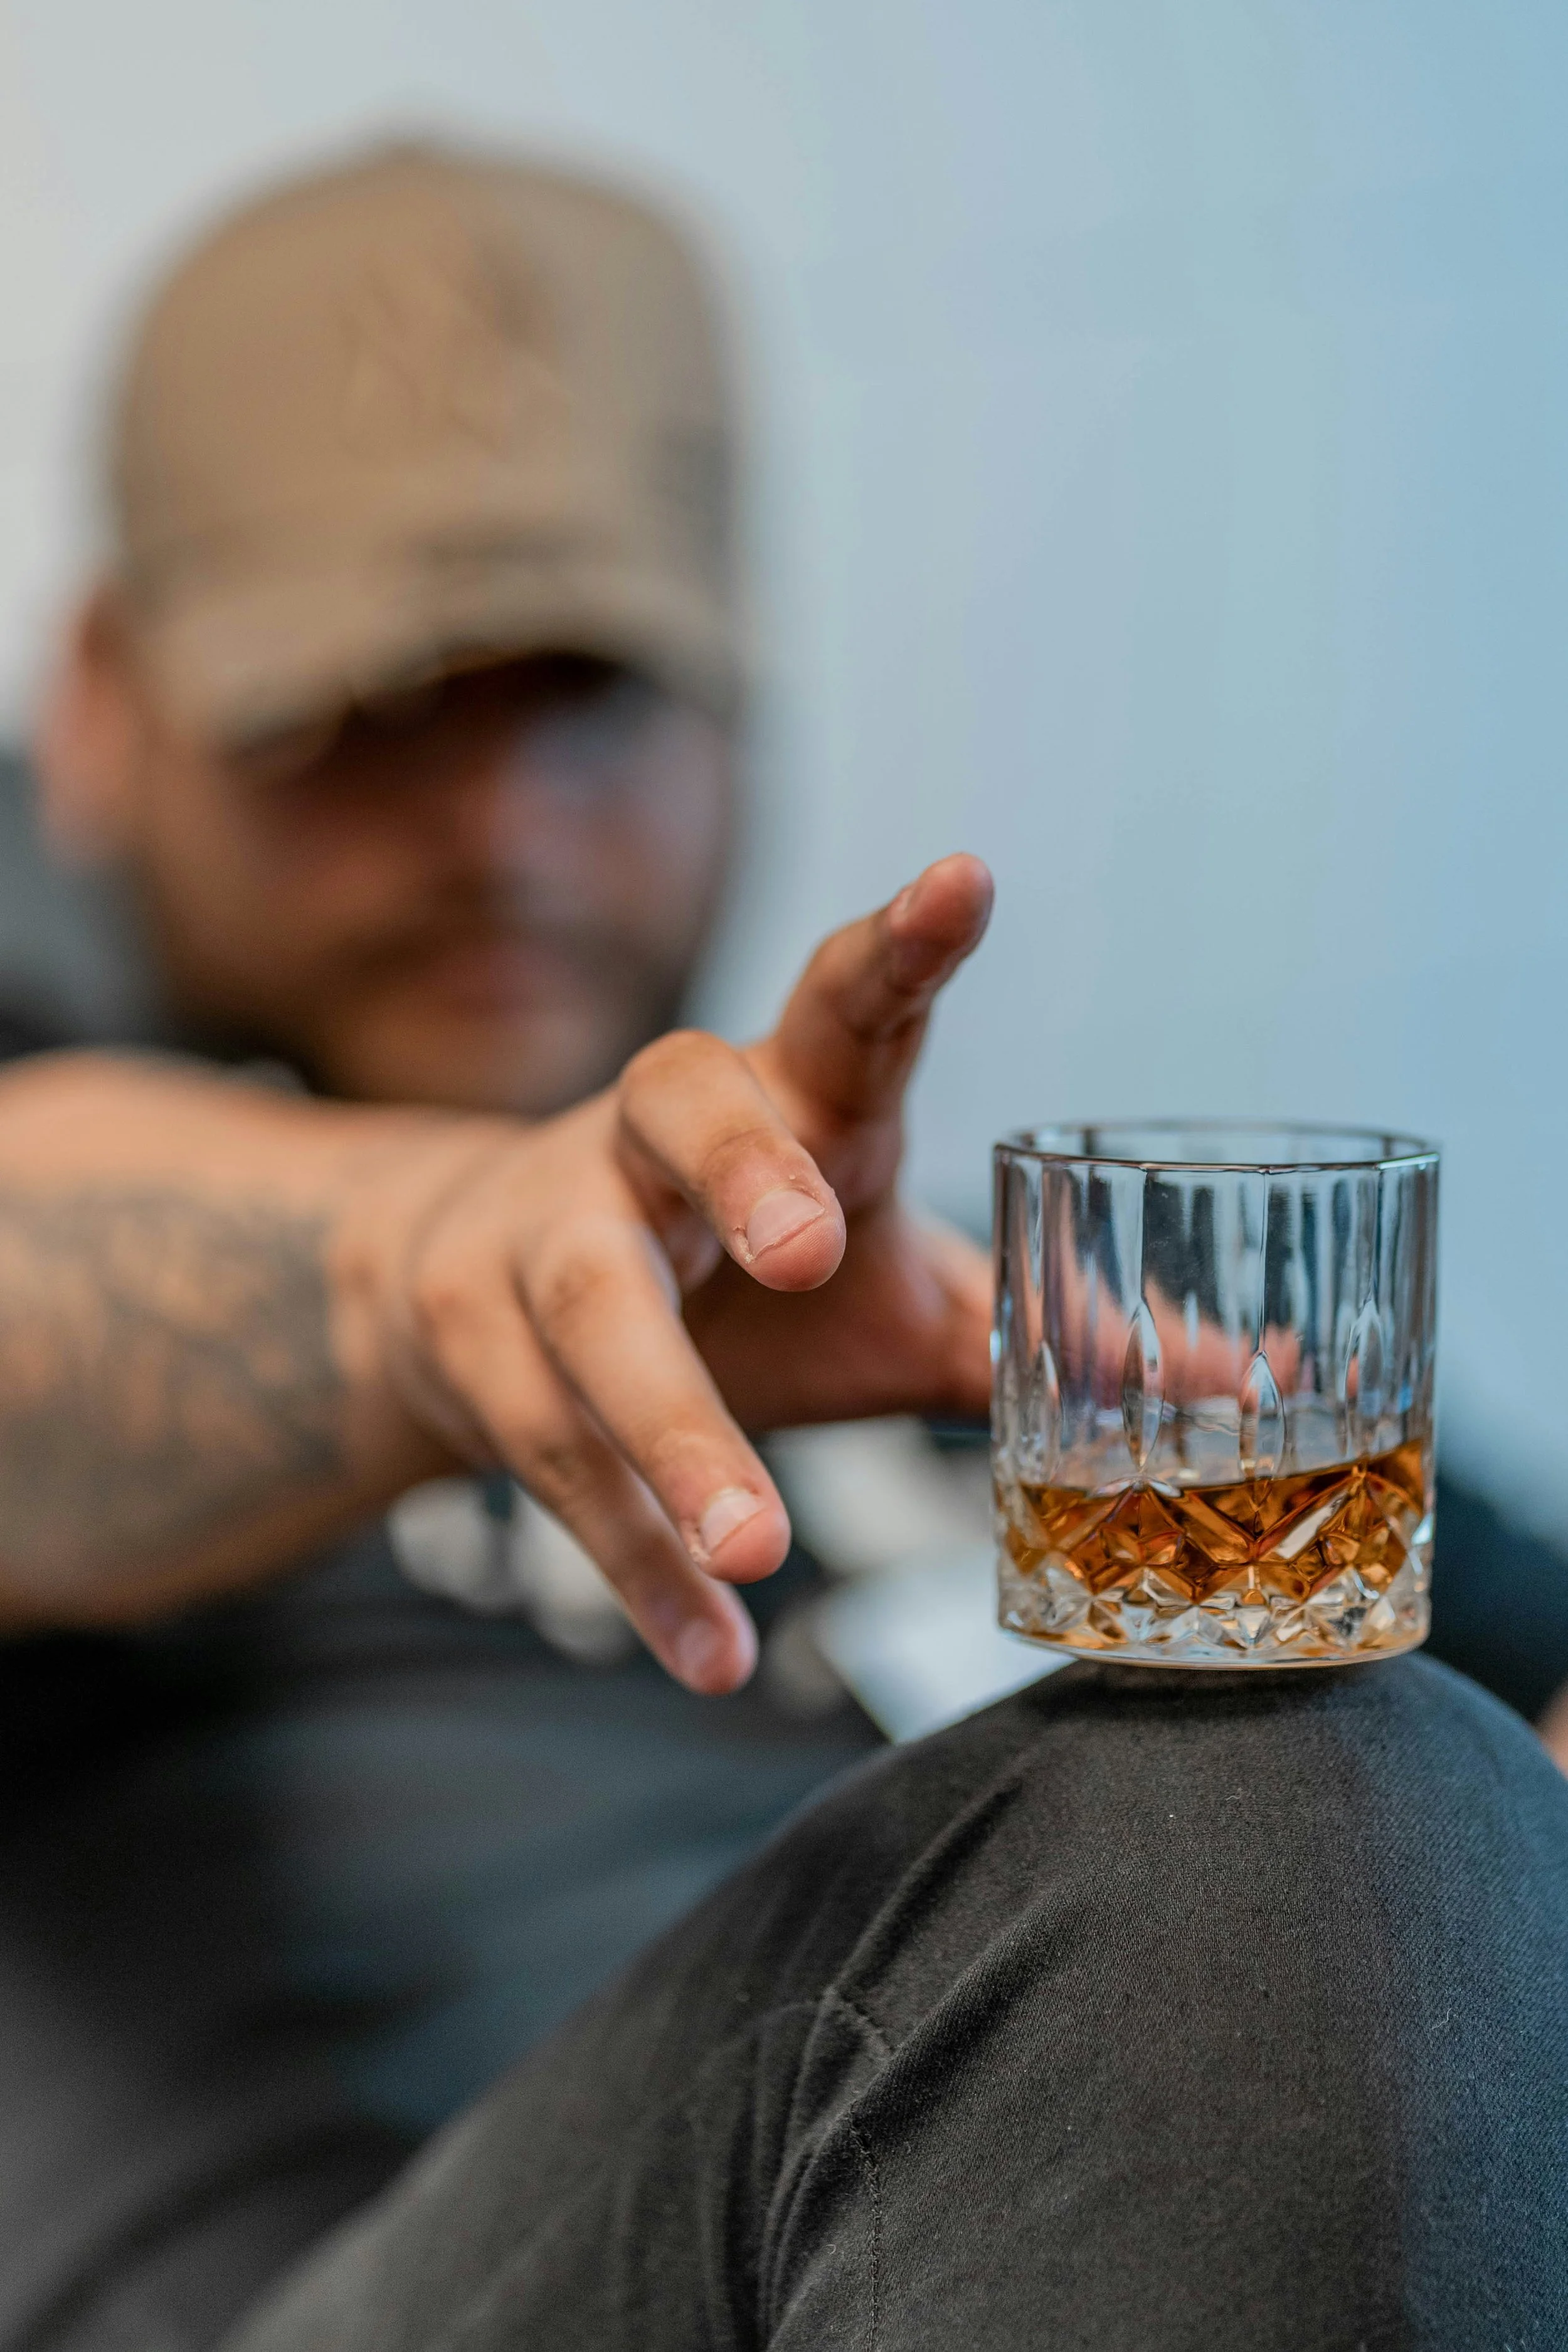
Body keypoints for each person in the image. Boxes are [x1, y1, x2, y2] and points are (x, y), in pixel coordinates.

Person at [0, 140, 992, 2349]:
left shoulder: (925, 1290)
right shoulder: (51, 1078)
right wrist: (428, 1255)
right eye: (359, 710)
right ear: (99, 699)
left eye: (589, 691)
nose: (498, 827)